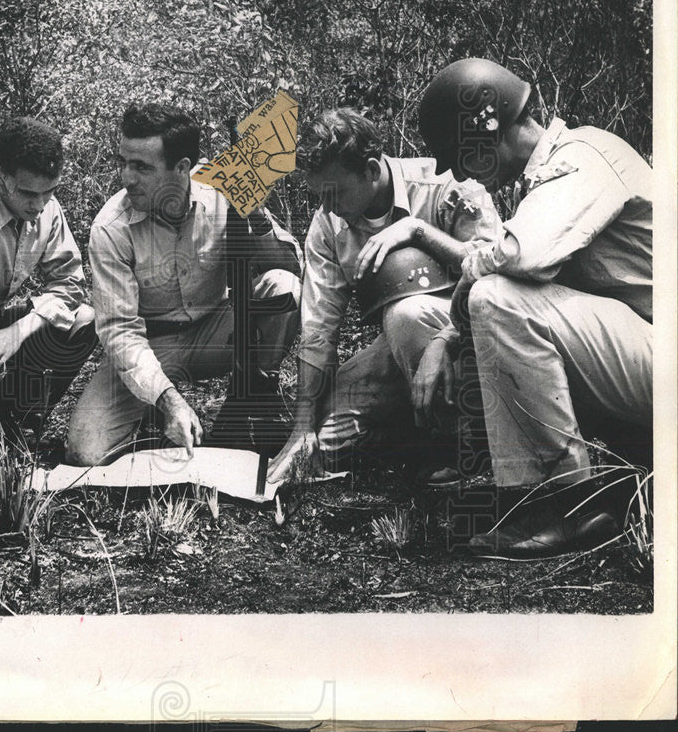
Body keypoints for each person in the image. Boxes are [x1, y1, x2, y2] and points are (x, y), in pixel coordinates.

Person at [414, 57, 652, 557]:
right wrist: (446, 337)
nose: (460, 171)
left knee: (496, 299)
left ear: (487, 131)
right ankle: (589, 477)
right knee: (496, 297)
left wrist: (455, 315)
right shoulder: (547, 175)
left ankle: (566, 506)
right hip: (646, 352)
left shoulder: (584, 157)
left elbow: (521, 253)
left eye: (461, 154)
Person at [266, 108, 501, 484]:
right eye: (319, 196)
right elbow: (318, 329)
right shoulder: (329, 225)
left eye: (335, 192)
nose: (326, 207)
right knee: (324, 437)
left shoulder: (447, 186)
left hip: (472, 337)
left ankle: (463, 446)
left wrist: (419, 231)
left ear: (372, 170)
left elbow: (497, 271)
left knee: (407, 315)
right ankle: (413, 428)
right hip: (401, 345)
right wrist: (301, 428)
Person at [66, 102, 302, 466]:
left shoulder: (224, 187)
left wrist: (256, 215)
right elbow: (120, 332)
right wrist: (168, 399)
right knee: (86, 451)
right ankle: (150, 408)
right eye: (123, 163)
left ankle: (251, 401)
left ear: (182, 169)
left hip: (219, 330)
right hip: (151, 342)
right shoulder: (110, 228)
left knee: (283, 286)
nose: (127, 178)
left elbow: (289, 266)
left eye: (142, 167)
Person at [0, 117, 97, 451]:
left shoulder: (47, 209)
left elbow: (71, 285)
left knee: (84, 321)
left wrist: (21, 329)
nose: (39, 205)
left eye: (49, 192)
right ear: (1, 176)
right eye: (28, 193)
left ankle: (12, 418)